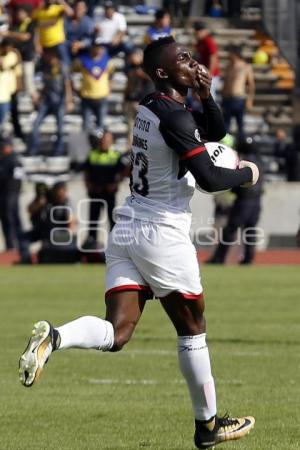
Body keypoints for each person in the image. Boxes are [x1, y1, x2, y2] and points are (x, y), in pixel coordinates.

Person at [19, 37, 258, 449]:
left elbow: (213, 131)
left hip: (128, 227)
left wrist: (207, 95)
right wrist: (248, 173)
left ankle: (55, 337)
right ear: (164, 72)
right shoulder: (176, 120)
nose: (192, 61)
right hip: (162, 232)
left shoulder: (152, 104)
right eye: (182, 58)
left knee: (119, 331)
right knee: (192, 329)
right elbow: (210, 178)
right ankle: (208, 427)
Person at [207, 137, 263, 264]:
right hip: (257, 202)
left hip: (244, 201)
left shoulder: (243, 160)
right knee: (250, 231)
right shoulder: (259, 161)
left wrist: (231, 190)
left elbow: (239, 181)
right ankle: (248, 259)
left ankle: (219, 258)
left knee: (230, 230)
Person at [83, 128, 129, 245]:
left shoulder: (115, 155)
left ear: (111, 141)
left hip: (109, 194)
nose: (104, 142)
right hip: (95, 193)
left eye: (107, 140)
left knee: (112, 220)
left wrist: (115, 184)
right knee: (93, 220)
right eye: (103, 140)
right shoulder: (93, 154)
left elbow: (124, 172)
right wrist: (88, 185)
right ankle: (91, 244)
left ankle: (114, 244)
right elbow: (86, 171)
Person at [26, 47, 73, 156]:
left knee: (60, 128)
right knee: (35, 124)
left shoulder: (62, 66)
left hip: (59, 101)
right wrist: (38, 96)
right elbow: (45, 84)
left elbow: (67, 84)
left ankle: (58, 150)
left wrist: (69, 100)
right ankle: (33, 149)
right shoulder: (44, 66)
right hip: (46, 100)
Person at [18, 181, 76, 263]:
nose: (63, 193)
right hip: (42, 230)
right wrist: (39, 203)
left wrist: (69, 234)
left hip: (58, 233)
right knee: (23, 238)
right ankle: (26, 260)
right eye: (60, 190)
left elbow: (72, 221)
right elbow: (29, 209)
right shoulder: (46, 199)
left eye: (64, 190)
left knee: (48, 247)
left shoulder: (67, 202)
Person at [73, 39, 113, 130]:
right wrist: (76, 88)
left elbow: (111, 75)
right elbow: (71, 71)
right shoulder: (82, 60)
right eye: (97, 47)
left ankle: (99, 143)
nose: (99, 49)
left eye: (101, 47)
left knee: (101, 125)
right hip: (87, 96)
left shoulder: (108, 61)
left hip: (101, 96)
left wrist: (110, 86)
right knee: (86, 125)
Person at [222, 44, 255, 141]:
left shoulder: (245, 66)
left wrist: (250, 99)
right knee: (226, 125)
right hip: (228, 99)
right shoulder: (228, 67)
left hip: (239, 99)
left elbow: (251, 84)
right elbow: (225, 83)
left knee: (240, 125)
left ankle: (241, 144)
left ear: (235, 54)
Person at [32, 0, 73, 68]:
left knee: (64, 65)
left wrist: (61, 1)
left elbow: (70, 13)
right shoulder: (38, 11)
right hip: (44, 44)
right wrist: (37, 44)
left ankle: (67, 78)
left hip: (58, 42)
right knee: (47, 67)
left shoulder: (57, 8)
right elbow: (35, 29)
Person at [0, 136, 23, 251]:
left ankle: (19, 245)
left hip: (11, 193)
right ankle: (10, 245)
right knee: (5, 219)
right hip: (4, 194)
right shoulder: (3, 159)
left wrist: (15, 192)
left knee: (12, 218)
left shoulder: (14, 160)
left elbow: (17, 179)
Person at [193, 22, 220, 101]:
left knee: (209, 95)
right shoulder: (199, 42)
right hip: (203, 73)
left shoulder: (208, 41)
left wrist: (210, 74)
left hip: (211, 74)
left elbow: (213, 57)